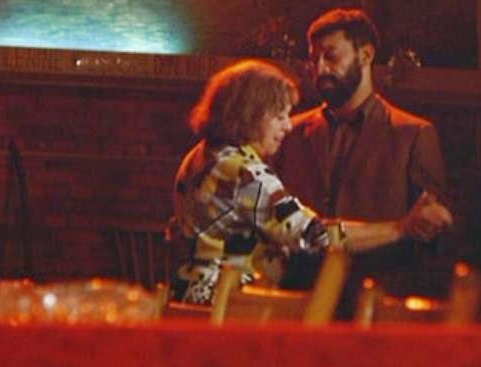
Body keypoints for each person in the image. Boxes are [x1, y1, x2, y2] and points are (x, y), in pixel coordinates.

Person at [170, 59, 451, 306]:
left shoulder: (198, 157)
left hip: (188, 301)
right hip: (232, 309)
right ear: (251, 113)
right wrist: (401, 228)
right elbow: (314, 236)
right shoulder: (246, 173)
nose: (288, 126)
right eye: (279, 116)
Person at [272, 8, 453, 300]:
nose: (320, 69)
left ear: (366, 55)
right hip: (298, 300)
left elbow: (432, 238)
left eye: (331, 56)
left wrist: (429, 224)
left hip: (374, 300)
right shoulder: (289, 132)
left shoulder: (412, 134)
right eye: (314, 59)